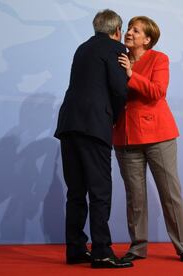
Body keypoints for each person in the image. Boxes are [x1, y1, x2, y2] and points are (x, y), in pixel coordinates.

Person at [54, 9, 133, 269]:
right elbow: (120, 89)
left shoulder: (82, 48)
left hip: (68, 124)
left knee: (76, 191)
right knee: (100, 191)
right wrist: (114, 116)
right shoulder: (116, 48)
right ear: (117, 30)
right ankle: (101, 252)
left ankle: (75, 249)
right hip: (94, 125)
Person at [114, 16, 183, 263]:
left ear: (147, 39)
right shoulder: (116, 56)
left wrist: (130, 74)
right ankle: (138, 247)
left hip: (158, 134)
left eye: (136, 31)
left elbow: (158, 92)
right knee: (135, 196)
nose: (129, 33)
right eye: (129, 29)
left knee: (170, 192)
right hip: (125, 135)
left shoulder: (159, 59)